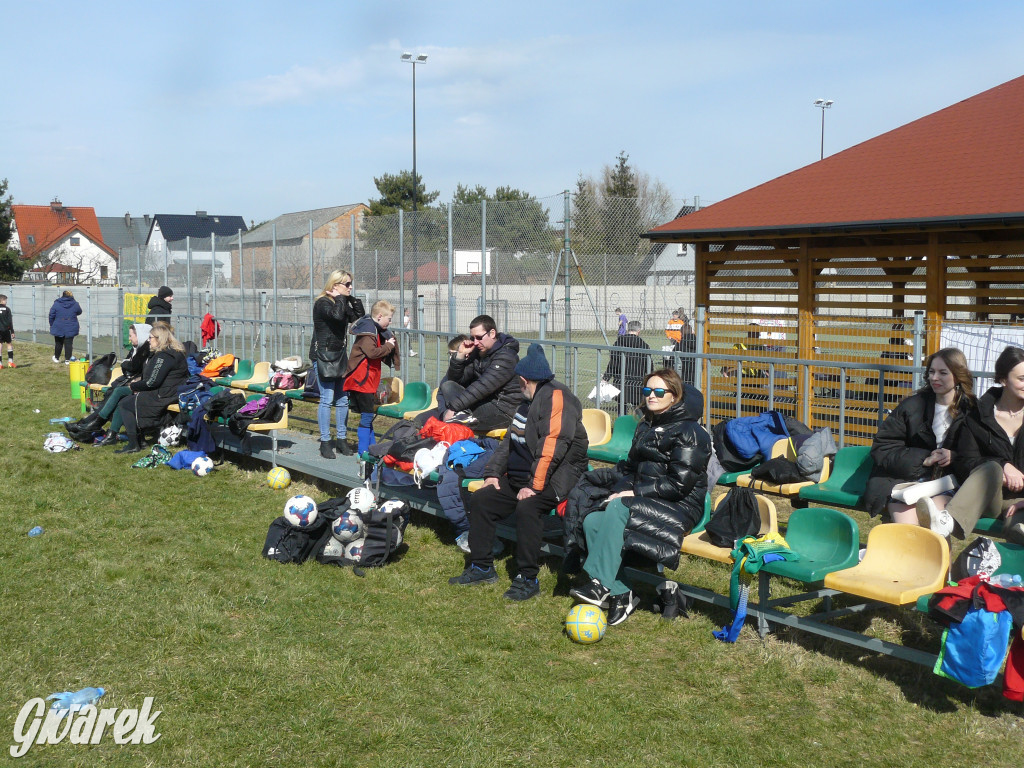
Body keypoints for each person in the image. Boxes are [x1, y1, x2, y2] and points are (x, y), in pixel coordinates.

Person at [566, 369, 711, 625]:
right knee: (592, 521)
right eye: (647, 391)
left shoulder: (691, 433)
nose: (651, 396)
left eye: (658, 392)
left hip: (680, 505)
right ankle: (623, 593)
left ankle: (600, 585)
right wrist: (617, 490)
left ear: (675, 396)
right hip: (645, 499)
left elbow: (679, 485)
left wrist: (632, 493)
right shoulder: (646, 425)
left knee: (620, 506)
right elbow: (631, 469)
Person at [448, 344, 589, 601]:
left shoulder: (557, 398)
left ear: (524, 380)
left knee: (528, 507)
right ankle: (481, 567)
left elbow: (552, 447)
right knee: (483, 499)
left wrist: (534, 487)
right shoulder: (526, 402)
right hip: (524, 477)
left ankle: (528, 577)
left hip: (556, 478)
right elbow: (509, 442)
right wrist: (492, 473)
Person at [862, 348, 973, 525]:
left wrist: (955, 456)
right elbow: (883, 447)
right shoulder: (911, 406)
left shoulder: (972, 411)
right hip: (906, 480)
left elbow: (983, 455)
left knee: (935, 523)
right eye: (931, 372)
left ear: (959, 375)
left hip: (950, 483)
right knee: (909, 527)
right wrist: (924, 459)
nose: (934, 378)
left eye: (943, 373)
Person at [937, 346, 1024, 544]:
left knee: (1019, 532)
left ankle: (1000, 572)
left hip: (1021, 503)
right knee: (992, 467)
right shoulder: (979, 415)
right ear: (1003, 380)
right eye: (1022, 379)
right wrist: (1003, 466)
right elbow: (965, 462)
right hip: (988, 497)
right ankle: (948, 521)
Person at [309, 271, 364, 459]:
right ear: (335, 285)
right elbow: (338, 317)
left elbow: (358, 315)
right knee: (327, 397)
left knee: (342, 399)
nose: (350, 287)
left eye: (351, 284)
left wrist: (351, 298)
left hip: (339, 357)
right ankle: (325, 442)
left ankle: (341, 440)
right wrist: (340, 298)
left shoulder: (340, 301)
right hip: (323, 356)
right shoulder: (323, 303)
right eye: (347, 284)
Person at [113, 324, 189, 454]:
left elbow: (152, 382)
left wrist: (133, 386)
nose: (148, 340)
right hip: (172, 393)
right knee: (130, 400)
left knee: (125, 404)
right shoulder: (175, 353)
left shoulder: (164, 356)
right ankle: (140, 440)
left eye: (150, 337)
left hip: (164, 396)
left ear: (159, 339)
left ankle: (133, 444)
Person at [439, 314, 522, 432]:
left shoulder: (506, 357)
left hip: (504, 411)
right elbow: (456, 380)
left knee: (451, 422)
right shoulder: (478, 352)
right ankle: (460, 418)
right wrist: (460, 356)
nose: (475, 342)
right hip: (483, 403)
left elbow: (482, 387)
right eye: (473, 338)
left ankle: (460, 419)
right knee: (448, 385)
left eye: (479, 337)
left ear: (492, 333)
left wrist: (453, 408)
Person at [75, 323, 153, 445]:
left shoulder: (146, 352)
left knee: (118, 395)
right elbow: (126, 366)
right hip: (128, 383)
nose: (129, 339)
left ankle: (92, 425)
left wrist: (131, 376)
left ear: (141, 336)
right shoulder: (136, 350)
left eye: (131, 335)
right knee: (114, 394)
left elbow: (133, 368)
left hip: (142, 389)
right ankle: (92, 426)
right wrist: (128, 368)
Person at [343, 300, 399, 455]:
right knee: (367, 417)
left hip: (365, 381)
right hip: (361, 381)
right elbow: (372, 353)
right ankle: (363, 452)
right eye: (389, 318)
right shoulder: (369, 333)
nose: (390, 321)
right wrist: (389, 346)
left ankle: (372, 448)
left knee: (367, 417)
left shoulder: (373, 329)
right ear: (380, 316)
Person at [603, 320, 651, 408]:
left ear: (628, 329)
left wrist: (606, 378)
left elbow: (613, 363)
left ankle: (621, 419)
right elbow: (649, 365)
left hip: (620, 381)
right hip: (637, 382)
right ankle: (638, 421)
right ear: (639, 331)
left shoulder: (618, 343)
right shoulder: (644, 345)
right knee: (638, 408)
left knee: (621, 406)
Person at [49, 289, 82, 363]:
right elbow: (79, 311)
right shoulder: (75, 304)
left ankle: (56, 358)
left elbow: (51, 315)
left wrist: (52, 324)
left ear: (62, 295)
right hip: (71, 325)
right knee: (69, 343)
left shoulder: (57, 303)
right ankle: (68, 359)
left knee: (58, 343)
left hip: (58, 325)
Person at [0, 294, 14, 368]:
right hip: (6, 330)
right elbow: (10, 321)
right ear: (2, 301)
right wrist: (12, 331)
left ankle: (0, 364)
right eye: (5, 300)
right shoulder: (7, 309)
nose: (6, 302)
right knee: (9, 344)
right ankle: (10, 362)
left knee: (0, 345)